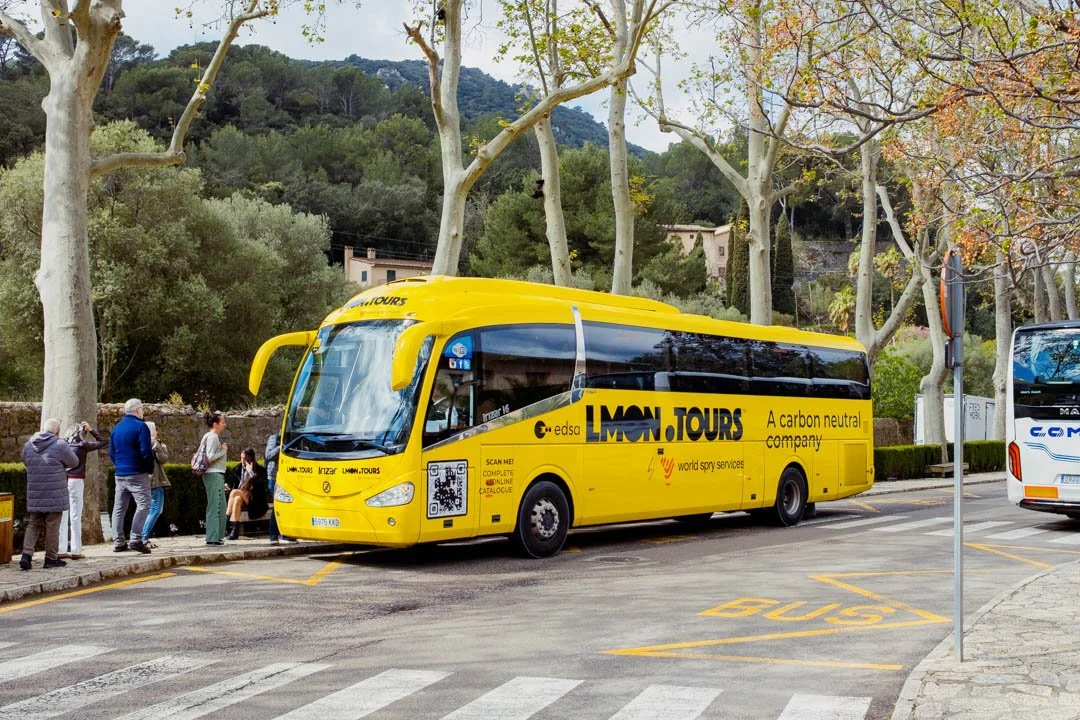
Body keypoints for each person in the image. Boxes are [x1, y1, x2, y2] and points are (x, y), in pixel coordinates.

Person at [20, 418, 79, 570]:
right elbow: (74, 462)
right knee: (53, 526)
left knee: (33, 524)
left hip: (35, 493)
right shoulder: (60, 445)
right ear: (57, 431)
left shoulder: (28, 445)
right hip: (55, 493)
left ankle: (26, 555)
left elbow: (25, 461)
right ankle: (50, 558)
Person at [108, 399, 154, 554]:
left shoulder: (117, 428)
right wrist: (149, 469)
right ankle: (136, 539)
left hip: (120, 473)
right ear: (137, 410)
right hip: (137, 473)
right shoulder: (141, 427)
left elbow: (111, 453)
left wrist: (120, 465)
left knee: (119, 508)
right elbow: (146, 451)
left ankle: (119, 542)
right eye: (142, 409)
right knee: (144, 505)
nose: (143, 412)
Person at [58, 421, 106, 560]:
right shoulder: (82, 445)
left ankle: (61, 549)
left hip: (63, 480)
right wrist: (91, 430)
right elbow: (103, 441)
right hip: (76, 480)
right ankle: (76, 550)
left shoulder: (63, 445)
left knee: (63, 515)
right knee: (75, 516)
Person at [226, 448, 268, 540]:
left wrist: (251, 472)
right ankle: (234, 531)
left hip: (255, 501)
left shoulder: (260, 470)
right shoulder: (237, 469)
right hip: (241, 498)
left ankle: (225, 522)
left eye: (244, 458)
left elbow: (261, 485)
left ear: (251, 459)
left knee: (234, 492)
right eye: (241, 458)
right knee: (237, 499)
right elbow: (231, 484)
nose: (242, 461)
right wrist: (227, 486)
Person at [200, 411, 229, 545]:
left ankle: (217, 536)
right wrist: (223, 450)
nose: (224, 424)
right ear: (215, 424)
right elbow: (210, 457)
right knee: (215, 505)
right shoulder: (212, 437)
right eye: (222, 422)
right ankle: (212, 537)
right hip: (213, 474)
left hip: (216, 474)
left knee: (221, 505)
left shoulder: (209, 436)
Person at [140, 421, 171, 544]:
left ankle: (140, 536)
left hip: (144, 480)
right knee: (156, 509)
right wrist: (156, 443)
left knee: (148, 509)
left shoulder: (140, 443)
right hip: (155, 480)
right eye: (155, 429)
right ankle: (143, 536)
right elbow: (163, 459)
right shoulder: (153, 443)